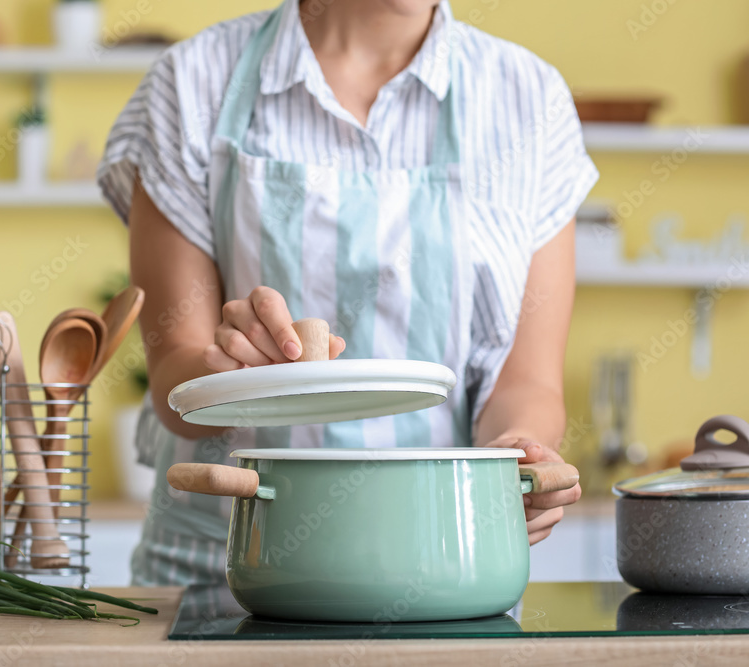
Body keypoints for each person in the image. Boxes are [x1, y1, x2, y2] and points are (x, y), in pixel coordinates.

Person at [98, 0, 596, 586]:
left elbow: (527, 382)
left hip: (438, 560)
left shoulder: (528, 100)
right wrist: (237, 375)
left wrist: (519, 454)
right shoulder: (194, 80)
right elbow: (173, 383)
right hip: (223, 571)